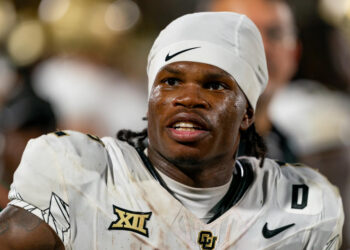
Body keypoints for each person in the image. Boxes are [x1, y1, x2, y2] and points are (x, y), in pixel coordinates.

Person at [0, 12, 344, 249]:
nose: (188, 98)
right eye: (171, 81)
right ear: (150, 99)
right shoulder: (82, 174)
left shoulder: (302, 208)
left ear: (248, 113)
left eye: (215, 85)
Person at [210, 0, 300, 163]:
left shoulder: (289, 151)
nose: (263, 47)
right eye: (242, 35)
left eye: (275, 33)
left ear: (294, 54)